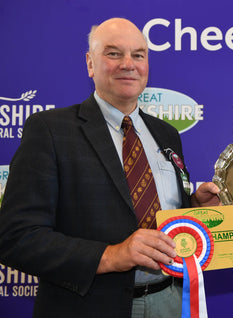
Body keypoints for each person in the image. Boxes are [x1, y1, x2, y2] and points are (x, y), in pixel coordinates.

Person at [0, 18, 220, 318]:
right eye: (113, 53)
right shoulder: (50, 130)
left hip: (170, 302)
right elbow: (17, 237)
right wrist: (112, 255)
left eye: (138, 55)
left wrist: (194, 207)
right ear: (90, 64)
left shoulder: (167, 134)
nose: (128, 64)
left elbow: (165, 219)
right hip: (89, 306)